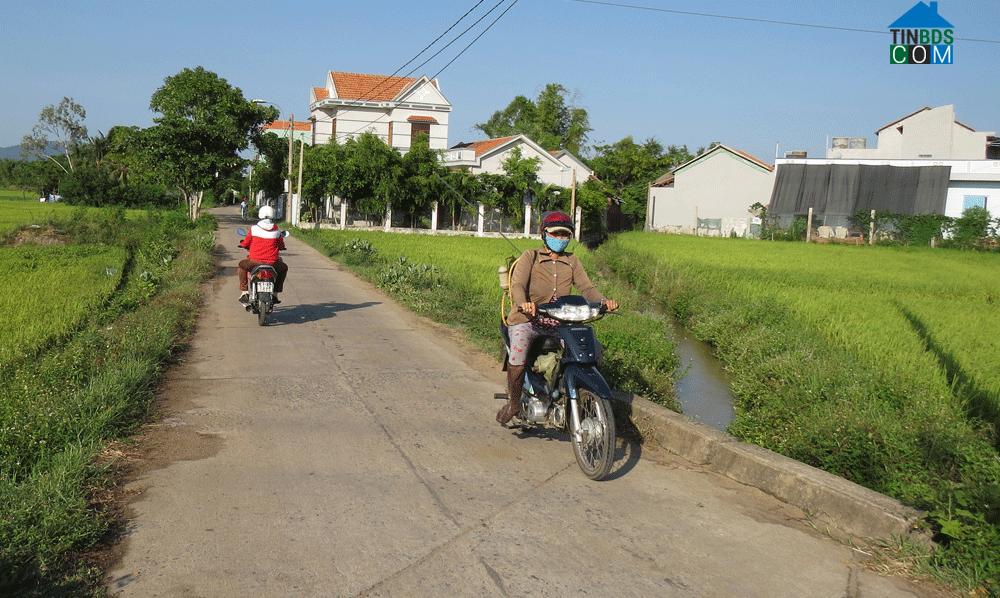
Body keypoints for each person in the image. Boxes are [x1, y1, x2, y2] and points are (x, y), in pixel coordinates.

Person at [496, 210, 619, 426]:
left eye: (565, 235)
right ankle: (514, 403)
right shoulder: (530, 256)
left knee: (593, 350)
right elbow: (517, 285)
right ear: (544, 234)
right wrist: (524, 303)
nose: (561, 238)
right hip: (529, 319)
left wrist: (603, 302)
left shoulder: (572, 261)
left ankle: (570, 392)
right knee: (517, 355)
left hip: (560, 321)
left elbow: (586, 288)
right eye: (556, 234)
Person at [238, 205, 289, 305]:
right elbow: (281, 245)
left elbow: (246, 243)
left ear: (260, 215)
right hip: (272, 263)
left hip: (254, 262)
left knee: (241, 265)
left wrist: (242, 244)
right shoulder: (277, 231)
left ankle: (244, 292)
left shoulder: (253, 229)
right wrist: (281, 247)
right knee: (284, 268)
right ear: (272, 215)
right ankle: (275, 294)